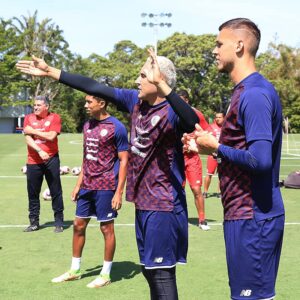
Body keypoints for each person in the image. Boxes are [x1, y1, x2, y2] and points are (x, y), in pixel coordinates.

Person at [16, 48, 199, 299]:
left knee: (162, 273)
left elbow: (191, 121)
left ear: (159, 80)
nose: (137, 80)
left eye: (143, 75)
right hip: (144, 203)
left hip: (164, 204)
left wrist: (162, 86)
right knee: (149, 270)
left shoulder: (171, 111)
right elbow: (95, 86)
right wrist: (52, 72)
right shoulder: (135, 102)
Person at [183, 18, 285, 300]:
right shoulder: (242, 91)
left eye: (219, 44)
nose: (214, 50)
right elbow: (238, 148)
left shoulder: (254, 93)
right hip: (243, 215)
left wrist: (215, 147)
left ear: (239, 45)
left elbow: (260, 161)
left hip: (254, 217)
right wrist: (205, 144)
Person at [51, 95, 128, 288]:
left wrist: (119, 191)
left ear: (101, 104)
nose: (85, 105)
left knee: (106, 228)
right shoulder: (87, 125)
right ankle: (75, 270)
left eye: (89, 102)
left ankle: (105, 274)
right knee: (78, 225)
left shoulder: (116, 127)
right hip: (87, 184)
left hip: (106, 185)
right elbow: (87, 157)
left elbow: (124, 160)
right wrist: (78, 184)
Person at [23, 95, 64, 233]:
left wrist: (33, 131)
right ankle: (34, 222)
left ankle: (59, 222)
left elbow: (52, 136)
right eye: (34, 105)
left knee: (55, 190)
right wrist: (40, 150)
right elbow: (28, 139)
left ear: (46, 106)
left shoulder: (55, 118)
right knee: (33, 193)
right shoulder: (28, 118)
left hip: (52, 159)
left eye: (39, 105)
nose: (35, 107)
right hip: (33, 160)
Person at [177, 90, 210, 231]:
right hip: (177, 158)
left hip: (192, 158)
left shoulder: (196, 114)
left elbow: (207, 132)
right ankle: (179, 219)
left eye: (181, 100)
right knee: (178, 190)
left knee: (196, 189)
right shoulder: (170, 112)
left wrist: (197, 142)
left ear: (187, 101)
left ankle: (202, 220)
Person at [202, 112, 224, 199]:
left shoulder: (226, 127)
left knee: (221, 174)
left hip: (222, 155)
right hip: (212, 155)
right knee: (209, 174)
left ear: (223, 118)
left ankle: (219, 192)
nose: (218, 119)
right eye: (216, 117)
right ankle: (205, 192)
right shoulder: (211, 127)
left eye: (220, 117)